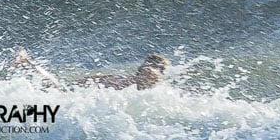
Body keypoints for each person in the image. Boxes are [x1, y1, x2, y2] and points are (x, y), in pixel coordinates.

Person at [11, 49, 170, 91]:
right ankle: (27, 63)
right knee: (57, 89)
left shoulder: (133, 83)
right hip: (83, 91)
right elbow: (100, 80)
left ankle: (27, 63)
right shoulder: (130, 82)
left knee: (55, 88)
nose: (155, 76)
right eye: (153, 72)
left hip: (84, 90)